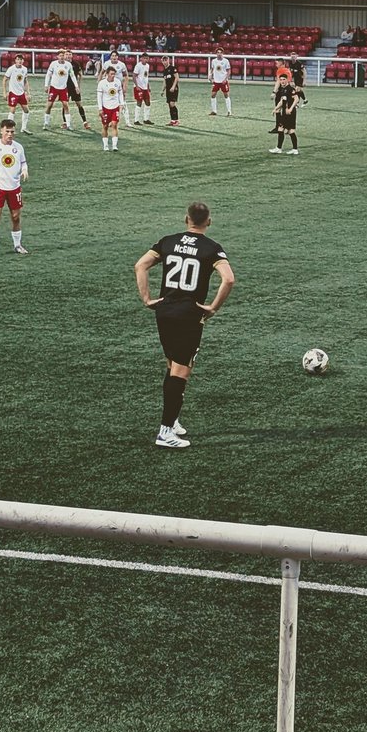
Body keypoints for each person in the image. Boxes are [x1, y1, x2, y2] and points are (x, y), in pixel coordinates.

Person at [134, 200, 235, 449]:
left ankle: (173, 420)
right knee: (181, 372)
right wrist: (213, 307)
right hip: (188, 316)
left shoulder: (168, 241)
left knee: (172, 366)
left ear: (186, 219)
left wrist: (147, 299)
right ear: (208, 222)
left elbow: (141, 265)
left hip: (165, 312)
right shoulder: (212, 249)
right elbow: (229, 280)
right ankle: (165, 432)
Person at [0, 119, 29, 257]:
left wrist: (25, 170)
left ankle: (17, 245)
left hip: (14, 187)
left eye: (12, 132)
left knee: (15, 217)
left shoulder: (19, 147)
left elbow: (23, 162)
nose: (10, 134)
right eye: (7, 131)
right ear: (1, 131)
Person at [42, 49, 78, 130]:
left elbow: (72, 76)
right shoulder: (53, 64)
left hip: (63, 88)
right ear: (57, 56)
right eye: (60, 56)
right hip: (54, 87)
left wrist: (76, 86)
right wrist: (46, 85)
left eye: (63, 55)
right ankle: (46, 123)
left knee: (66, 105)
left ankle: (68, 125)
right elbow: (48, 74)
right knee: (49, 105)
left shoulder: (68, 65)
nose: (62, 57)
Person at [96, 65, 123, 151]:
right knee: (105, 126)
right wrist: (100, 109)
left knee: (114, 125)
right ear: (107, 74)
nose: (113, 76)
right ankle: (106, 145)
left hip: (115, 107)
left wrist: (121, 104)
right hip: (105, 108)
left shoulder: (118, 82)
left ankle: (114, 146)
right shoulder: (102, 83)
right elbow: (99, 97)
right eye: (111, 74)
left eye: (114, 74)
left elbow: (120, 94)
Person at [3, 52, 32, 133]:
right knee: (12, 110)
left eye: (21, 59)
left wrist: (28, 93)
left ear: (23, 61)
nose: (19, 61)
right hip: (13, 93)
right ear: (15, 61)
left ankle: (24, 128)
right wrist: (5, 92)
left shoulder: (24, 69)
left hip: (21, 93)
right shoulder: (11, 69)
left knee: (26, 110)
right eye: (18, 59)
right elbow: (4, 80)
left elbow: (25, 81)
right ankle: (8, 129)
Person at [270, 80, 300, 155]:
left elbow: (297, 99)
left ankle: (293, 149)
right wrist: (275, 109)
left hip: (290, 113)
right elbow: (281, 101)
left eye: (284, 80)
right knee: (282, 129)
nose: (282, 81)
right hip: (284, 112)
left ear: (287, 80)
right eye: (281, 80)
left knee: (290, 131)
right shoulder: (282, 90)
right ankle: (280, 148)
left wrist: (290, 108)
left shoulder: (290, 89)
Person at [63, 57, 93, 130]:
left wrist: (78, 85)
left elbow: (80, 74)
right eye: (66, 54)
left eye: (70, 54)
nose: (68, 56)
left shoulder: (76, 64)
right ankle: (65, 122)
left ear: (71, 55)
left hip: (74, 87)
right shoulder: (62, 64)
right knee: (65, 104)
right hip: (65, 87)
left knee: (79, 104)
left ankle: (85, 122)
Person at [131, 52, 154, 125]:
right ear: (141, 58)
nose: (146, 60)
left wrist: (148, 86)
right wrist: (136, 86)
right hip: (139, 87)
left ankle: (146, 119)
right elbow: (134, 76)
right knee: (139, 102)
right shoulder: (138, 66)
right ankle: (136, 120)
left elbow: (146, 77)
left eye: (147, 58)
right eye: (144, 58)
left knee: (148, 102)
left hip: (145, 87)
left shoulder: (147, 66)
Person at [209, 46, 232, 116]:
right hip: (216, 81)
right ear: (216, 53)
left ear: (222, 53)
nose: (219, 54)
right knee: (213, 95)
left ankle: (229, 111)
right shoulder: (213, 61)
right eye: (218, 53)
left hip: (223, 81)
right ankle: (214, 111)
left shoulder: (226, 61)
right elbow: (212, 69)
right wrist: (210, 75)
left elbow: (228, 71)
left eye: (220, 53)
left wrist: (225, 79)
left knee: (226, 95)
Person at [163, 56, 181, 126]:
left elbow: (177, 78)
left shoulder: (173, 68)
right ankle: (172, 120)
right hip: (168, 90)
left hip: (174, 89)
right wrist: (163, 90)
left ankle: (176, 120)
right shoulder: (165, 71)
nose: (164, 62)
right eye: (163, 61)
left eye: (166, 60)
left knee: (172, 104)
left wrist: (173, 87)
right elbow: (164, 81)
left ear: (168, 60)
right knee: (169, 105)